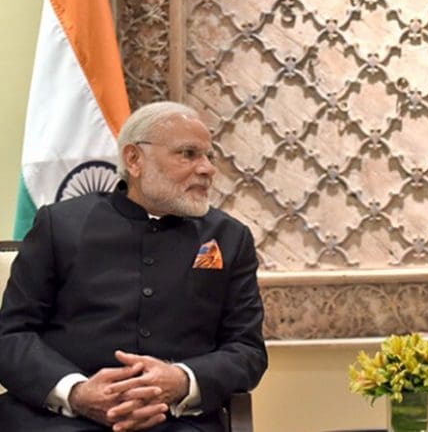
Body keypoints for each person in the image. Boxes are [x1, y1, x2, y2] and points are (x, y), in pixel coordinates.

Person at [0, 101, 268, 431]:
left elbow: (247, 351)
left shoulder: (230, 237)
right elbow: (11, 335)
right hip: (60, 419)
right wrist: (77, 392)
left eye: (209, 156)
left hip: (176, 422)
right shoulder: (60, 225)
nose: (207, 169)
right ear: (134, 159)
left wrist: (182, 380)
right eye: (188, 154)